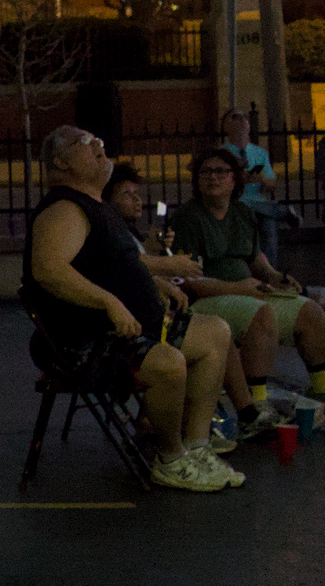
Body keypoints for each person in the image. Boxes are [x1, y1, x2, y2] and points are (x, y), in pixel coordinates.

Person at [22, 127, 240, 492]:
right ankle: (171, 458)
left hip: (131, 329)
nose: (99, 146)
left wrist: (150, 283)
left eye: (100, 141)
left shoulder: (94, 206)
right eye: (85, 143)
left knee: (215, 332)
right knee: (168, 363)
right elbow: (49, 270)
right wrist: (110, 301)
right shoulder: (65, 208)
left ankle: (197, 447)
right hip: (86, 342)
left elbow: (111, 264)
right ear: (60, 162)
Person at [105, 163, 284, 444]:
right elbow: (126, 271)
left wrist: (157, 257)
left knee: (217, 332)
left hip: (155, 316)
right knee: (216, 334)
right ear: (108, 199)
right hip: (137, 329)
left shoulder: (126, 234)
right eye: (127, 194)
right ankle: (196, 434)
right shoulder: (111, 232)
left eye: (137, 193)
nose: (138, 200)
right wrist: (168, 265)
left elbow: (138, 270)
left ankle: (235, 415)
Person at [170, 146, 325, 398]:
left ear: (234, 179)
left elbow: (256, 261)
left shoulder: (242, 212)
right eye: (205, 172)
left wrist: (277, 277)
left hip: (251, 292)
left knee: (310, 310)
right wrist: (240, 288)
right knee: (259, 314)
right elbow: (189, 280)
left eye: (221, 171)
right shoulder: (188, 218)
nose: (213, 177)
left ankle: (321, 390)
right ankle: (256, 403)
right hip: (209, 300)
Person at [222, 108, 292, 266]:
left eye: (245, 117)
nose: (241, 120)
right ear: (225, 126)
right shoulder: (221, 153)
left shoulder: (259, 153)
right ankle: (283, 212)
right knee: (266, 214)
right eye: (235, 117)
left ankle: (270, 271)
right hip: (235, 202)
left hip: (257, 203)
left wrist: (260, 179)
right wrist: (238, 179)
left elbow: (271, 183)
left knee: (267, 225)